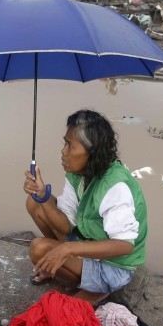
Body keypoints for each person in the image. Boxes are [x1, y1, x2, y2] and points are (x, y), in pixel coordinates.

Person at [23, 110, 148, 304]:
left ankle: (95, 287)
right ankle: (65, 268)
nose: (63, 151)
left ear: (92, 151)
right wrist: (42, 195)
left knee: (39, 248)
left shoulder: (115, 187)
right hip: (89, 239)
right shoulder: (78, 174)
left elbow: (124, 245)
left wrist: (68, 249)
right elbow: (65, 226)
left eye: (69, 145)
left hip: (114, 265)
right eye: (64, 143)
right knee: (35, 203)